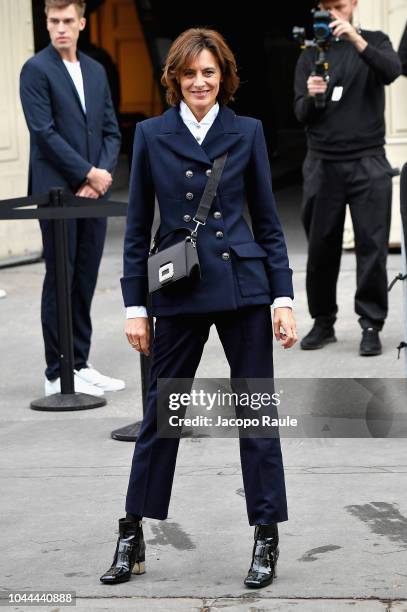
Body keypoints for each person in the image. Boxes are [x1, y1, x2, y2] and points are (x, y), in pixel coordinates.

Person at [100, 28, 297, 589]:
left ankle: (265, 534)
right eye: (190, 73)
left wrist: (283, 297)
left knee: (256, 413)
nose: (200, 82)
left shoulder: (248, 132)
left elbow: (268, 222)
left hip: (244, 288)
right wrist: (135, 305)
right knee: (162, 417)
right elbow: (137, 230)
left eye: (209, 72)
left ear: (223, 78)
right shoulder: (151, 135)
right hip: (179, 292)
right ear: (175, 80)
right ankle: (132, 532)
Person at [20, 0, 124, 396]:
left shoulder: (96, 70)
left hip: (93, 192)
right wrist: (87, 172)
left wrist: (99, 177)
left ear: (81, 22)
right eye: (53, 21)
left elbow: (111, 130)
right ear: (46, 24)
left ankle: (79, 362)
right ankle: (55, 372)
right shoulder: (35, 69)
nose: (60, 28)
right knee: (59, 277)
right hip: (57, 190)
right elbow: (43, 132)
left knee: (84, 278)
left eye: (67, 21)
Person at [294, 0, 401, 356]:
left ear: (353, 4)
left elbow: (391, 71)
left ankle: (371, 323)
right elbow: (300, 112)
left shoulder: (375, 41)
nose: (334, 13)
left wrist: (356, 39)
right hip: (323, 163)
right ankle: (323, 322)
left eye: (339, 5)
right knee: (321, 248)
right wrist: (311, 97)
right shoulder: (311, 51)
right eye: (326, 7)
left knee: (373, 247)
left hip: (368, 160)